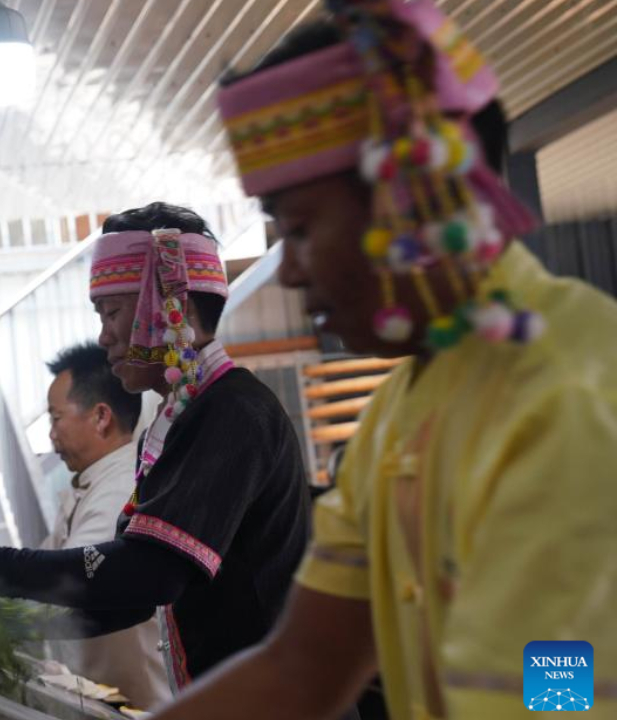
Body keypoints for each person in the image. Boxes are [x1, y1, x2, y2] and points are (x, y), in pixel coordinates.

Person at [152, 1, 617, 719]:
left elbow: (559, 696)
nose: (294, 274)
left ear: (414, 202)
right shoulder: (405, 411)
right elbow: (301, 667)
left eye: (301, 230)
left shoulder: (564, 394)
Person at [0, 202, 313, 696]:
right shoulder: (183, 416)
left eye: (112, 312)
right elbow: (124, 601)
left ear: (163, 307)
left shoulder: (232, 412)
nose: (103, 337)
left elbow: (149, 574)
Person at [40, 342, 171, 710]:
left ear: (101, 417)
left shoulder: (121, 490)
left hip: (142, 703)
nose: (51, 435)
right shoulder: (89, 483)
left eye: (56, 418)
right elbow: (40, 558)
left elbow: (62, 579)